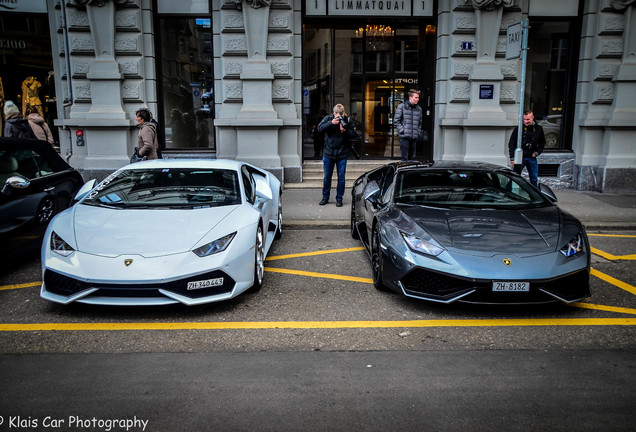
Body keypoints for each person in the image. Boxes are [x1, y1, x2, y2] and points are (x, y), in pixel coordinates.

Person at [317, 103, 357, 207]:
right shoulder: (328, 118)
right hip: (328, 153)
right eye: (337, 114)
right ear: (333, 113)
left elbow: (354, 135)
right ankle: (325, 197)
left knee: (341, 178)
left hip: (342, 154)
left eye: (341, 114)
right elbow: (319, 129)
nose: (339, 116)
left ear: (344, 113)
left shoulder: (348, 120)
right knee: (327, 177)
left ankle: (339, 198)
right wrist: (331, 123)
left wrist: (345, 130)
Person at [508, 109, 546, 188]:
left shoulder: (538, 129)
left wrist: (537, 152)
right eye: (524, 119)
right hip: (519, 157)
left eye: (528, 119)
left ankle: (535, 196)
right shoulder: (518, 128)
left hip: (532, 157)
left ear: (532, 118)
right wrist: (512, 158)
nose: (526, 121)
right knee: (514, 177)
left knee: (534, 179)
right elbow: (512, 143)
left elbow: (542, 142)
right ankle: (510, 193)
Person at [394, 89, 422, 161]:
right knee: (404, 159)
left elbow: (420, 123)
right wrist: (402, 130)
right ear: (410, 98)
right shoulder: (402, 106)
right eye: (416, 97)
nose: (417, 99)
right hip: (404, 137)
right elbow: (396, 121)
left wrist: (417, 132)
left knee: (411, 159)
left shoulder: (419, 109)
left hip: (414, 137)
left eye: (418, 98)